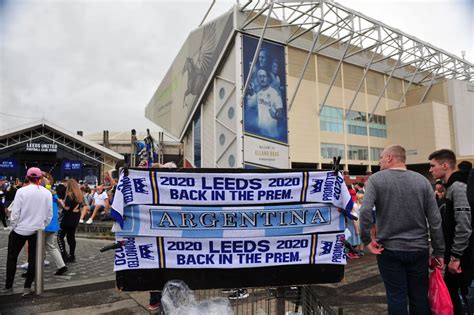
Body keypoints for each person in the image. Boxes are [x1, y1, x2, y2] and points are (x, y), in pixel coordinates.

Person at [359, 145, 445, 315]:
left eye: (382, 158)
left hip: (389, 249)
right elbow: (435, 220)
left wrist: (367, 240)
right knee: (419, 297)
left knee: (396, 296)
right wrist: (439, 251)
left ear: (390, 157)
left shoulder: (376, 180)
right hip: (419, 248)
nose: (380, 161)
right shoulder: (423, 181)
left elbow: (365, 211)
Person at [428, 149, 472, 315]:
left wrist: (456, 257)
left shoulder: (458, 187)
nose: (430, 170)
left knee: (460, 297)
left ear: (445, 165)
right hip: (458, 256)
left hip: (463, 258)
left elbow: (464, 224)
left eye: (433, 166)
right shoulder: (452, 186)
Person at [0, 167, 53, 296]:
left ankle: (8, 286)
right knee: (34, 259)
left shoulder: (22, 191)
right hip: (37, 230)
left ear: (28, 177)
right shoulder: (47, 193)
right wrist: (42, 225)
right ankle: (27, 287)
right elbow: (49, 214)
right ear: (40, 178)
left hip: (20, 229)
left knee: (12, 258)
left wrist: (14, 226)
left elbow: (15, 212)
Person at [58, 178, 83, 263]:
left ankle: (64, 255)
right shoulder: (79, 194)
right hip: (75, 217)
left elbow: (67, 208)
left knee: (60, 236)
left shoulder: (70, 194)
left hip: (68, 218)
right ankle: (72, 256)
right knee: (71, 237)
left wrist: (61, 202)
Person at [253, 68, 284, 138]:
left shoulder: (275, 93)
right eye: (260, 76)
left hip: (272, 136)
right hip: (260, 133)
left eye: (264, 76)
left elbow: (281, 115)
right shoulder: (259, 94)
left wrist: (275, 115)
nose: (262, 79)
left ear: (268, 78)